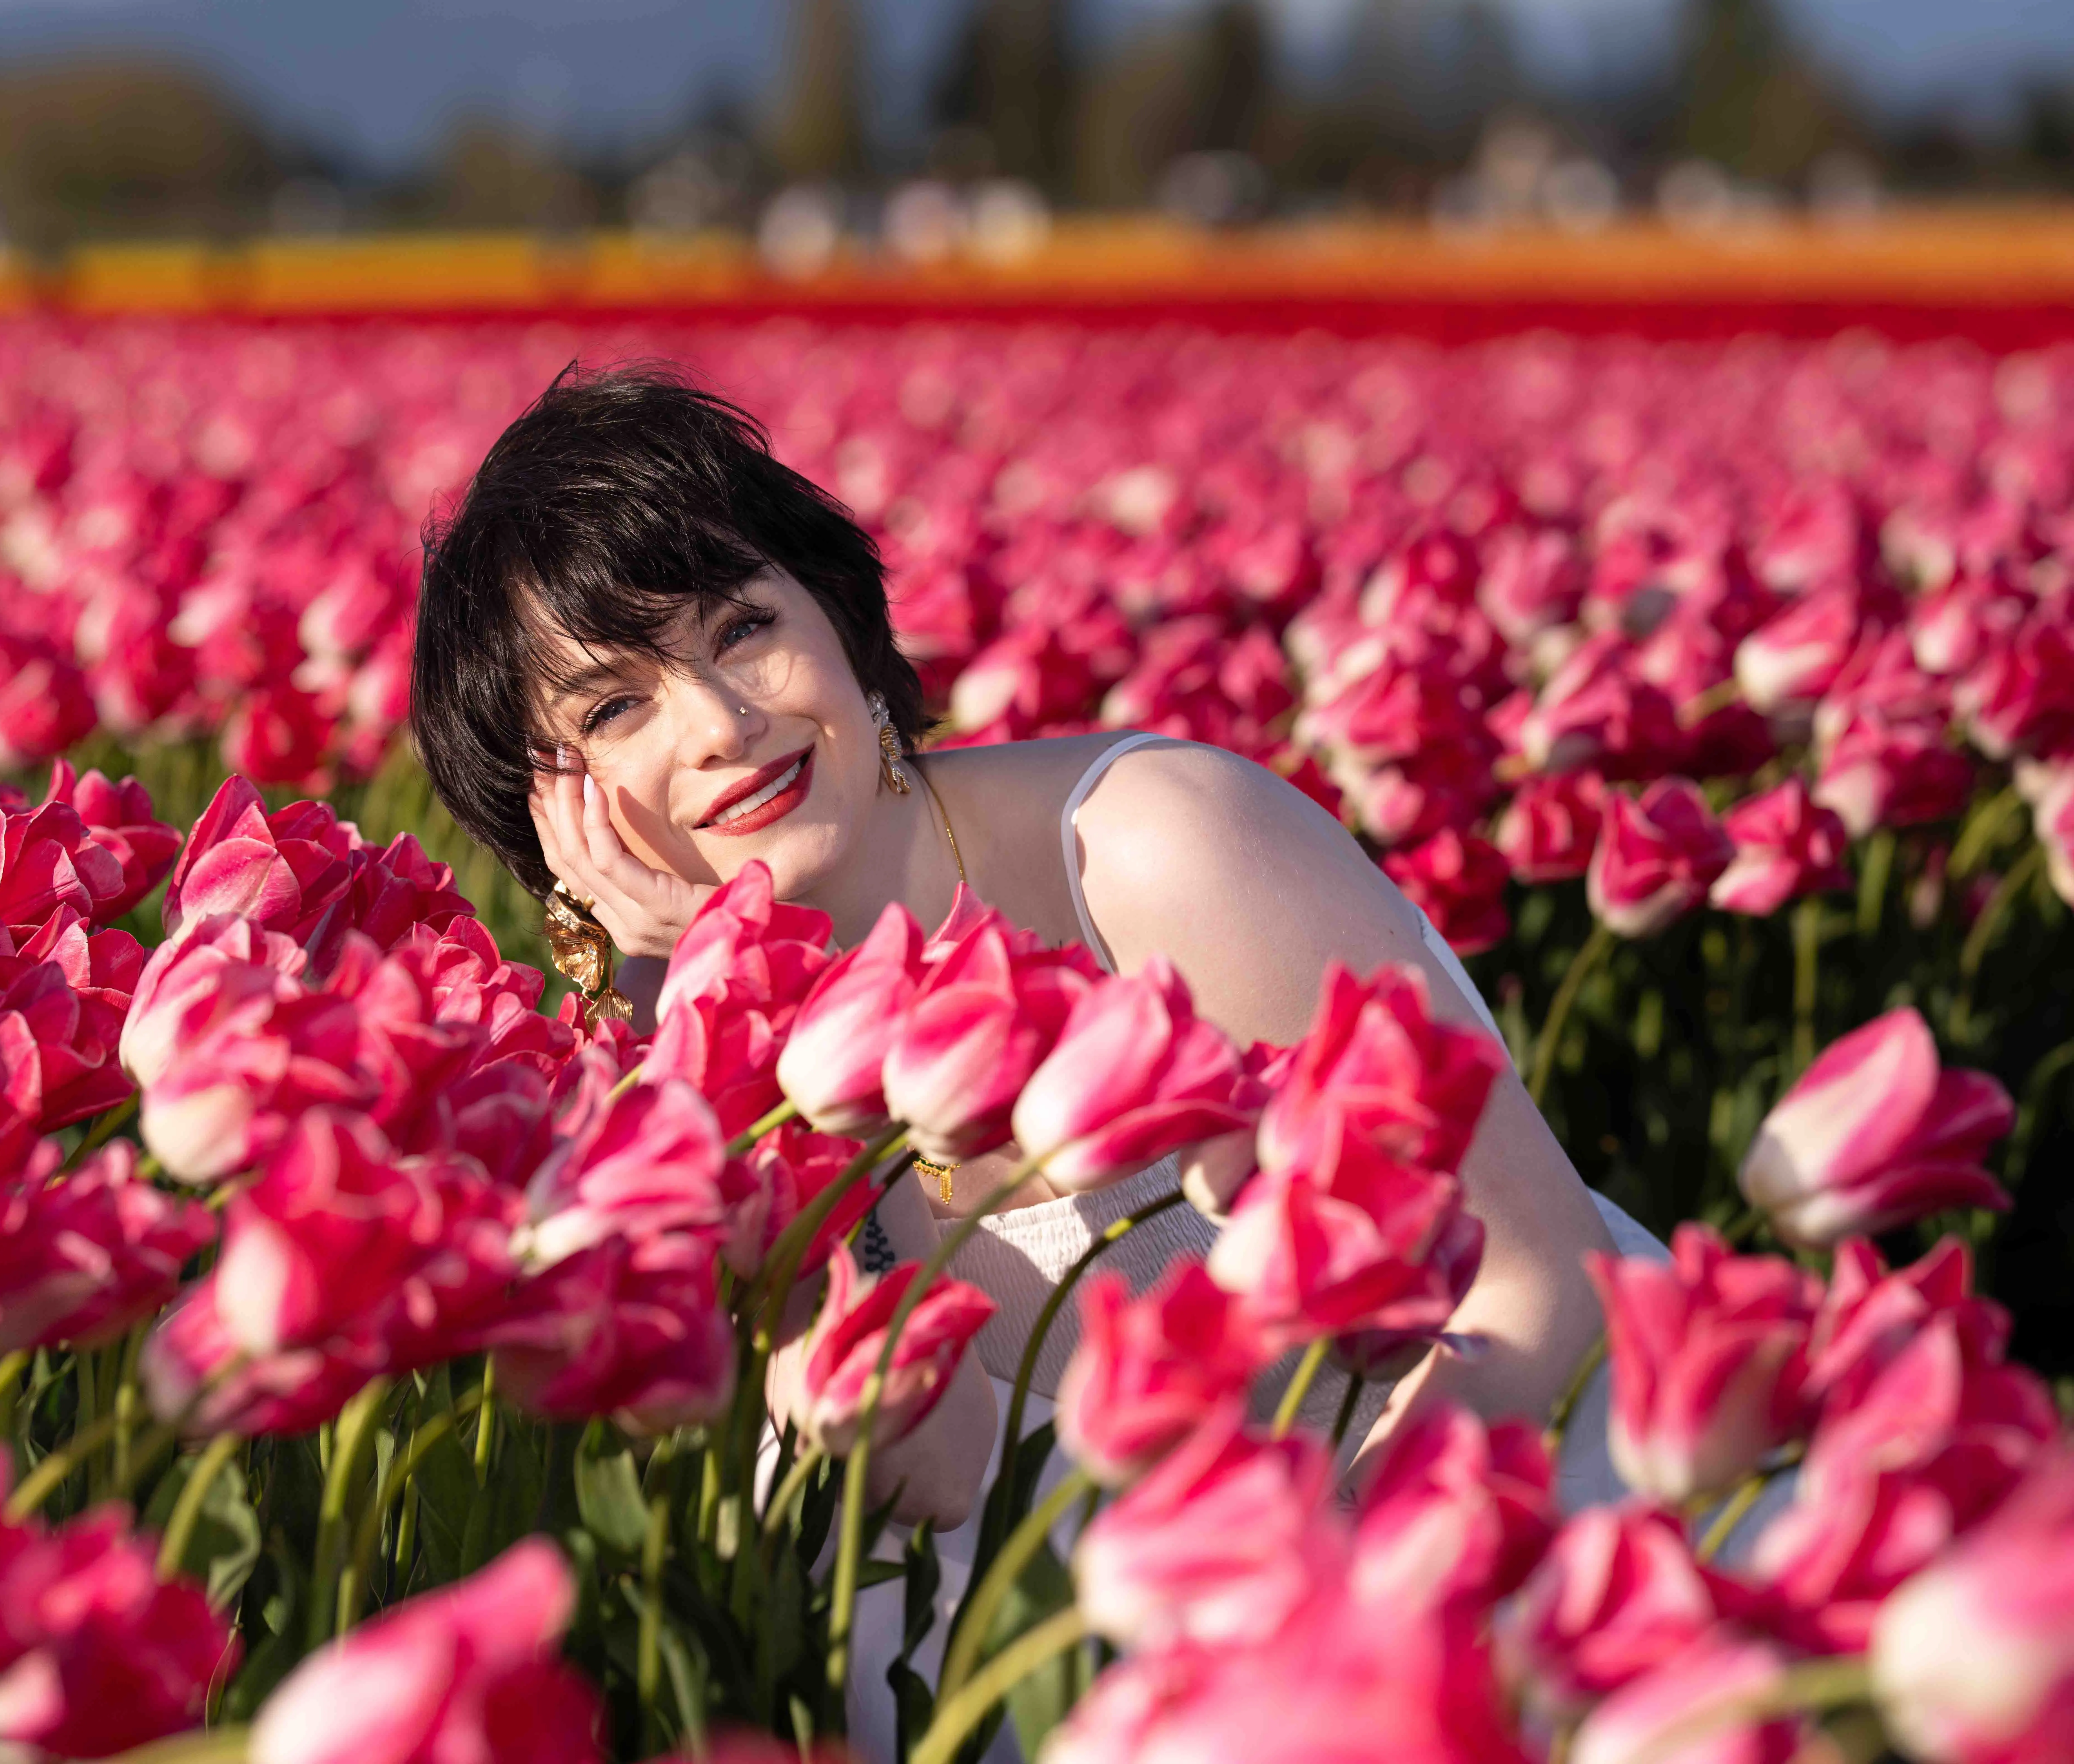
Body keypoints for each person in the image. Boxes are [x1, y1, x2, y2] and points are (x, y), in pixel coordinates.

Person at [410, 365, 1664, 1758]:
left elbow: (1538, 1285)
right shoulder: (664, 1055)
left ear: (840, 615)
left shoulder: (1158, 853)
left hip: (1496, 1539)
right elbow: (908, 1462)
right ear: (552, 811)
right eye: (614, 710)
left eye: (743, 628)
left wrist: (1302, 1646)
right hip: (1090, 1658)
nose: (719, 722)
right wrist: (700, 1008)